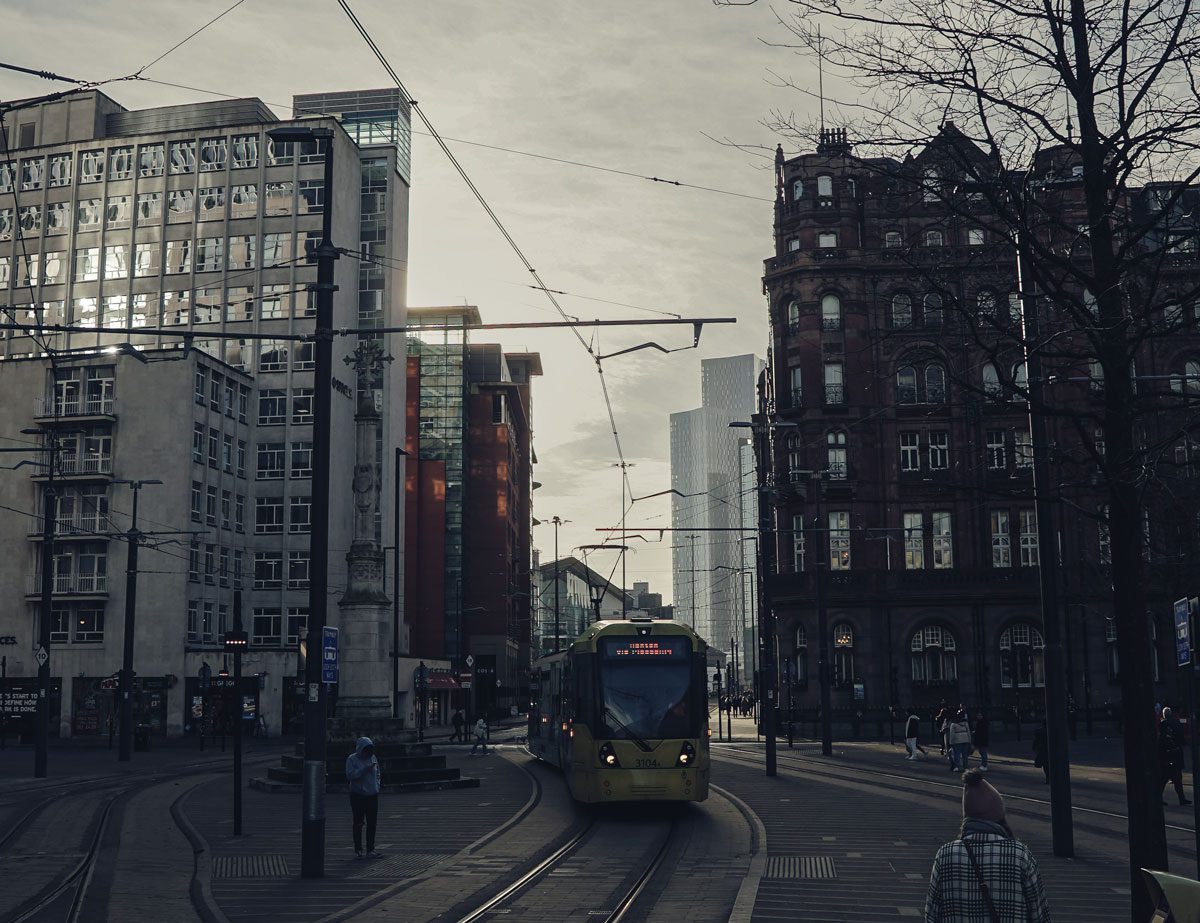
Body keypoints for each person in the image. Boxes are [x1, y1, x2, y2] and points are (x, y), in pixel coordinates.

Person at [925, 768, 1051, 922]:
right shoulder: (1020, 855)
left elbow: (932, 915)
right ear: (999, 814)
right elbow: (1039, 914)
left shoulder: (945, 854)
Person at [345, 737, 382, 859]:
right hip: (358, 795)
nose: (368, 753)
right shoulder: (352, 759)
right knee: (358, 822)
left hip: (372, 794)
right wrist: (364, 769)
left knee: (372, 823)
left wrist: (377, 785)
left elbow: (377, 773)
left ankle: (370, 849)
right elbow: (350, 775)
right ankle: (358, 849)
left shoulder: (373, 758)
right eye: (366, 750)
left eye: (370, 750)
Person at [1159, 706, 1192, 806]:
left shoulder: (1163, 724)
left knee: (1164, 779)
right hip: (1176, 755)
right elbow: (1182, 739)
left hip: (1167, 756)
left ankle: (1159, 798)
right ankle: (1182, 799)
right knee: (1177, 779)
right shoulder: (1176, 723)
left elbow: (1162, 741)